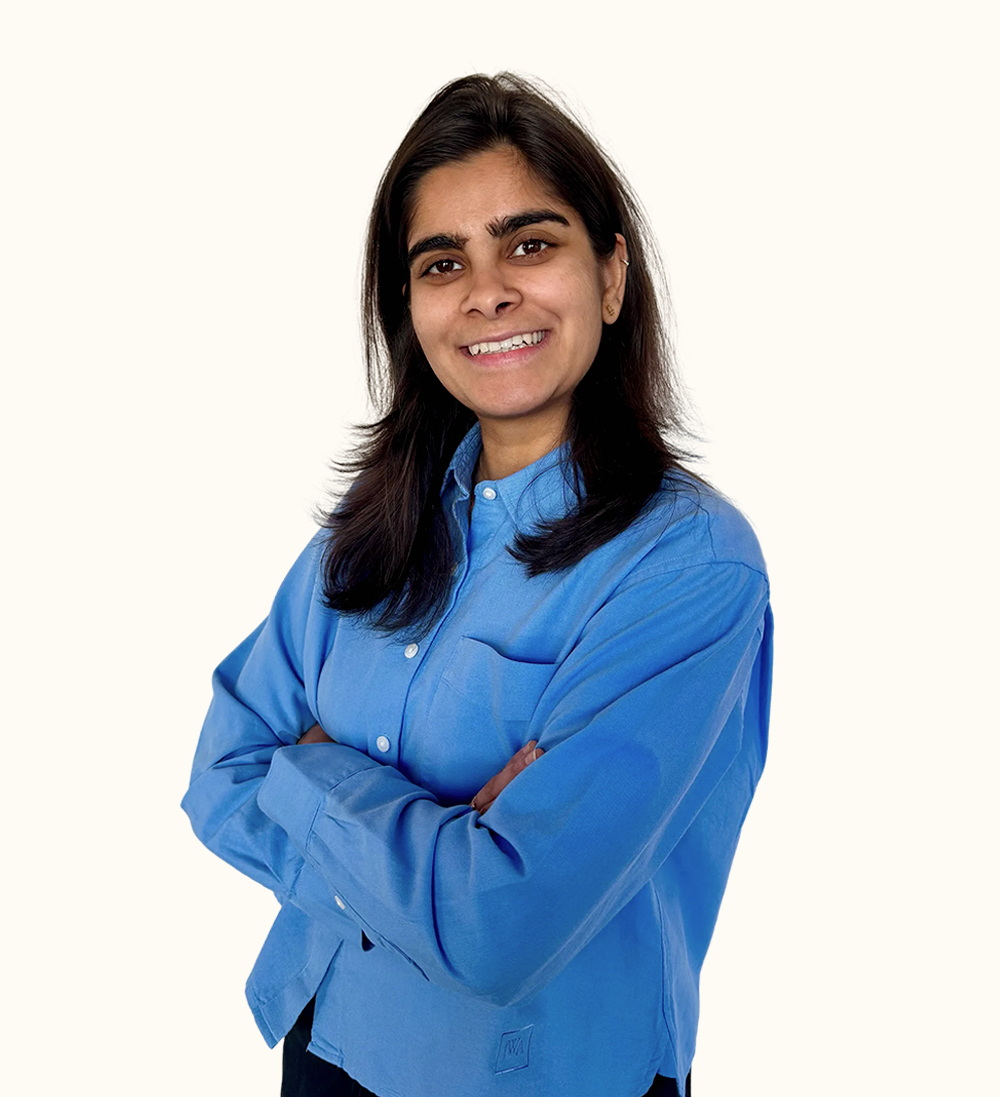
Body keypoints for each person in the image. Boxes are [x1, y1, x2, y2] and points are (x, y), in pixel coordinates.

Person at [182, 72, 773, 1097]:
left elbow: (500, 928)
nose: (487, 290)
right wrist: (442, 840)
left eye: (529, 244)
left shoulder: (687, 565)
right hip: (322, 1041)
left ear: (612, 274)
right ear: (409, 308)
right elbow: (219, 774)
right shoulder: (363, 539)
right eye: (442, 261)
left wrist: (318, 771)